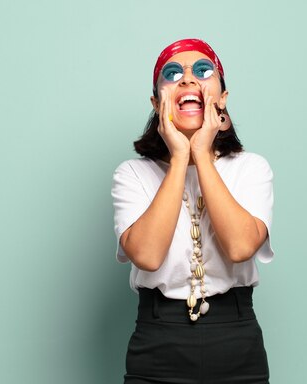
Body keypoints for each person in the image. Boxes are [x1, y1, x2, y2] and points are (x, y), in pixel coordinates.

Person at [111, 38, 274, 384]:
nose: (187, 80)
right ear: (157, 103)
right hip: (157, 340)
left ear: (223, 99)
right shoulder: (132, 174)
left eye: (202, 71)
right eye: (173, 74)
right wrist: (179, 156)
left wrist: (201, 153)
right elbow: (147, 256)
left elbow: (241, 247)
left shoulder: (251, 168)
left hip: (237, 336)